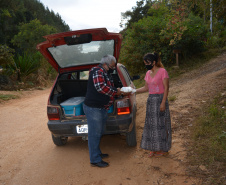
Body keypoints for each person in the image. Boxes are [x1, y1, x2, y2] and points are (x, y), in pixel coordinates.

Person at [83, 55, 121, 168]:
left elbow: (108, 86)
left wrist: (117, 90)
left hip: (101, 108)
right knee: (94, 134)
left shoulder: (105, 72)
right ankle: (94, 160)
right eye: (112, 66)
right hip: (93, 108)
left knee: (99, 132)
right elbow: (101, 87)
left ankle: (97, 153)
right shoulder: (98, 71)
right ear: (105, 64)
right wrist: (116, 91)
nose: (112, 68)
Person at [136, 52, 172, 157]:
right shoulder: (147, 73)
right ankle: (154, 148)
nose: (146, 65)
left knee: (161, 124)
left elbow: (166, 88)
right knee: (151, 125)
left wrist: (163, 103)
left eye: (147, 62)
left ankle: (163, 149)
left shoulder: (162, 72)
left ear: (154, 62)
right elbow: (146, 88)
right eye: (145, 63)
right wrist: (134, 90)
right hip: (151, 101)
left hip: (160, 99)